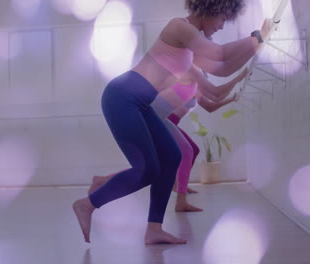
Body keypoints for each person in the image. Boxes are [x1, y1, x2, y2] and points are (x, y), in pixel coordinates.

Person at [72, 0, 271, 245]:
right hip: (123, 97)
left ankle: (154, 229)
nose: (221, 27)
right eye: (222, 19)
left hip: (140, 104)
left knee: (172, 156)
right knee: (146, 169)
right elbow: (219, 54)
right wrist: (256, 38)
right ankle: (87, 205)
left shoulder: (191, 44)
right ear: (211, 9)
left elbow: (222, 68)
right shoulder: (179, 27)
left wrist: (256, 46)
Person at [88, 67, 248, 212]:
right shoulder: (188, 76)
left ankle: (179, 186)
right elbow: (216, 92)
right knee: (178, 154)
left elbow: (211, 106)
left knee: (184, 153)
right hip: (160, 118)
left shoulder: (195, 88)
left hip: (168, 121)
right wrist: (238, 77)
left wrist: (233, 98)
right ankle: (180, 194)